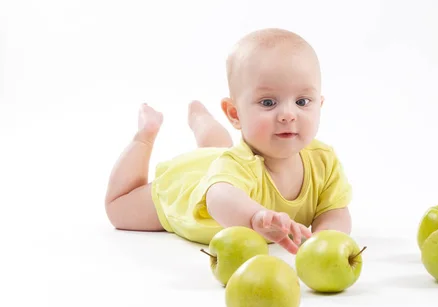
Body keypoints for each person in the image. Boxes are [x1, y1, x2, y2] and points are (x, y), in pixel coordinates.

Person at [104, 28, 352, 254]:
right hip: (188, 188)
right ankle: (146, 134)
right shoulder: (235, 167)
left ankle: (200, 119)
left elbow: (335, 211)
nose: (288, 114)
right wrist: (255, 218)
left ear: (319, 105)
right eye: (268, 102)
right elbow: (219, 197)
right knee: (118, 208)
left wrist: (323, 242)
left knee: (217, 150)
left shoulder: (324, 161)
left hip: (219, 159)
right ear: (235, 114)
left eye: (302, 102)